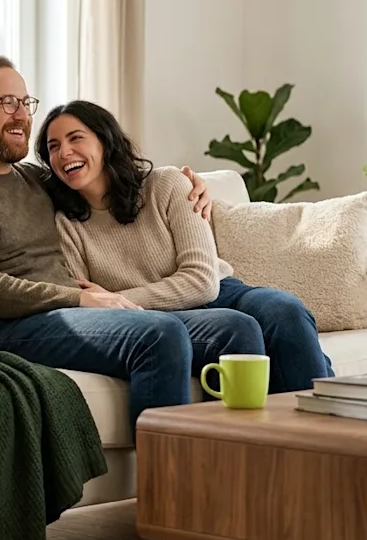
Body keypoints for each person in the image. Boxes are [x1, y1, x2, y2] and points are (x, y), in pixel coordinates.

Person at [0, 55, 321, 540]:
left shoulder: (37, 180)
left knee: (234, 330)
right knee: (161, 334)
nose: (21, 116)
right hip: (0, 330)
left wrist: (196, 186)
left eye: (24, 102)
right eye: (5, 102)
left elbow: (112, 175)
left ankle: (251, 534)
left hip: (66, 314)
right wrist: (78, 297)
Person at [39, 99, 336, 397]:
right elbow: (90, 303)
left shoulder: (167, 184)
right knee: (240, 329)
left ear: (105, 141)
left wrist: (116, 298)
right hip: (157, 317)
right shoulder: (66, 224)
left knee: (286, 311)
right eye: (53, 146)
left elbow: (202, 282)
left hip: (221, 292)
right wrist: (109, 303)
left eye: (76, 138)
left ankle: (316, 433)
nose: (64, 153)